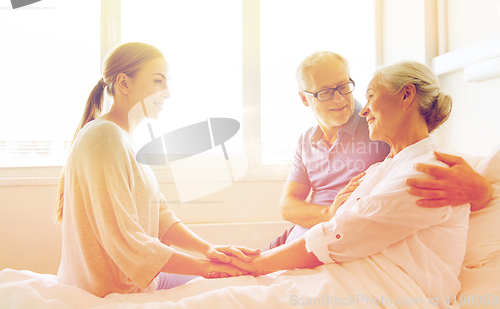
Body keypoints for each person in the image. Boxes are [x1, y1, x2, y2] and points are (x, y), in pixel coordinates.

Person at [230, 61, 473, 308]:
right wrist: (258, 261)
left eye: (369, 95)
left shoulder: (430, 171)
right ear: (306, 99)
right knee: (226, 281)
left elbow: (345, 234)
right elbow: (295, 207)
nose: (363, 110)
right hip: (330, 258)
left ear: (407, 94)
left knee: (228, 296)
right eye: (325, 91)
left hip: (377, 285)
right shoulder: (381, 167)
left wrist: (258, 264)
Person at [55, 42, 258, 297]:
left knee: (237, 276)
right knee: (231, 286)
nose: (167, 93)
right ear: (124, 83)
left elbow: (159, 214)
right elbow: (125, 239)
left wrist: (209, 250)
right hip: (111, 290)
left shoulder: (122, 137)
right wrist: (204, 268)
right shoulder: (104, 138)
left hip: (134, 279)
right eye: (158, 81)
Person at [267, 51, 492, 250]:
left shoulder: (379, 123)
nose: (340, 98)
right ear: (304, 98)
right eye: (326, 92)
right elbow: (287, 205)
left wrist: (481, 191)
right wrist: (327, 213)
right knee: (235, 263)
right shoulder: (306, 140)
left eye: (344, 86)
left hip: (329, 239)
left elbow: (424, 153)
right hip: (298, 233)